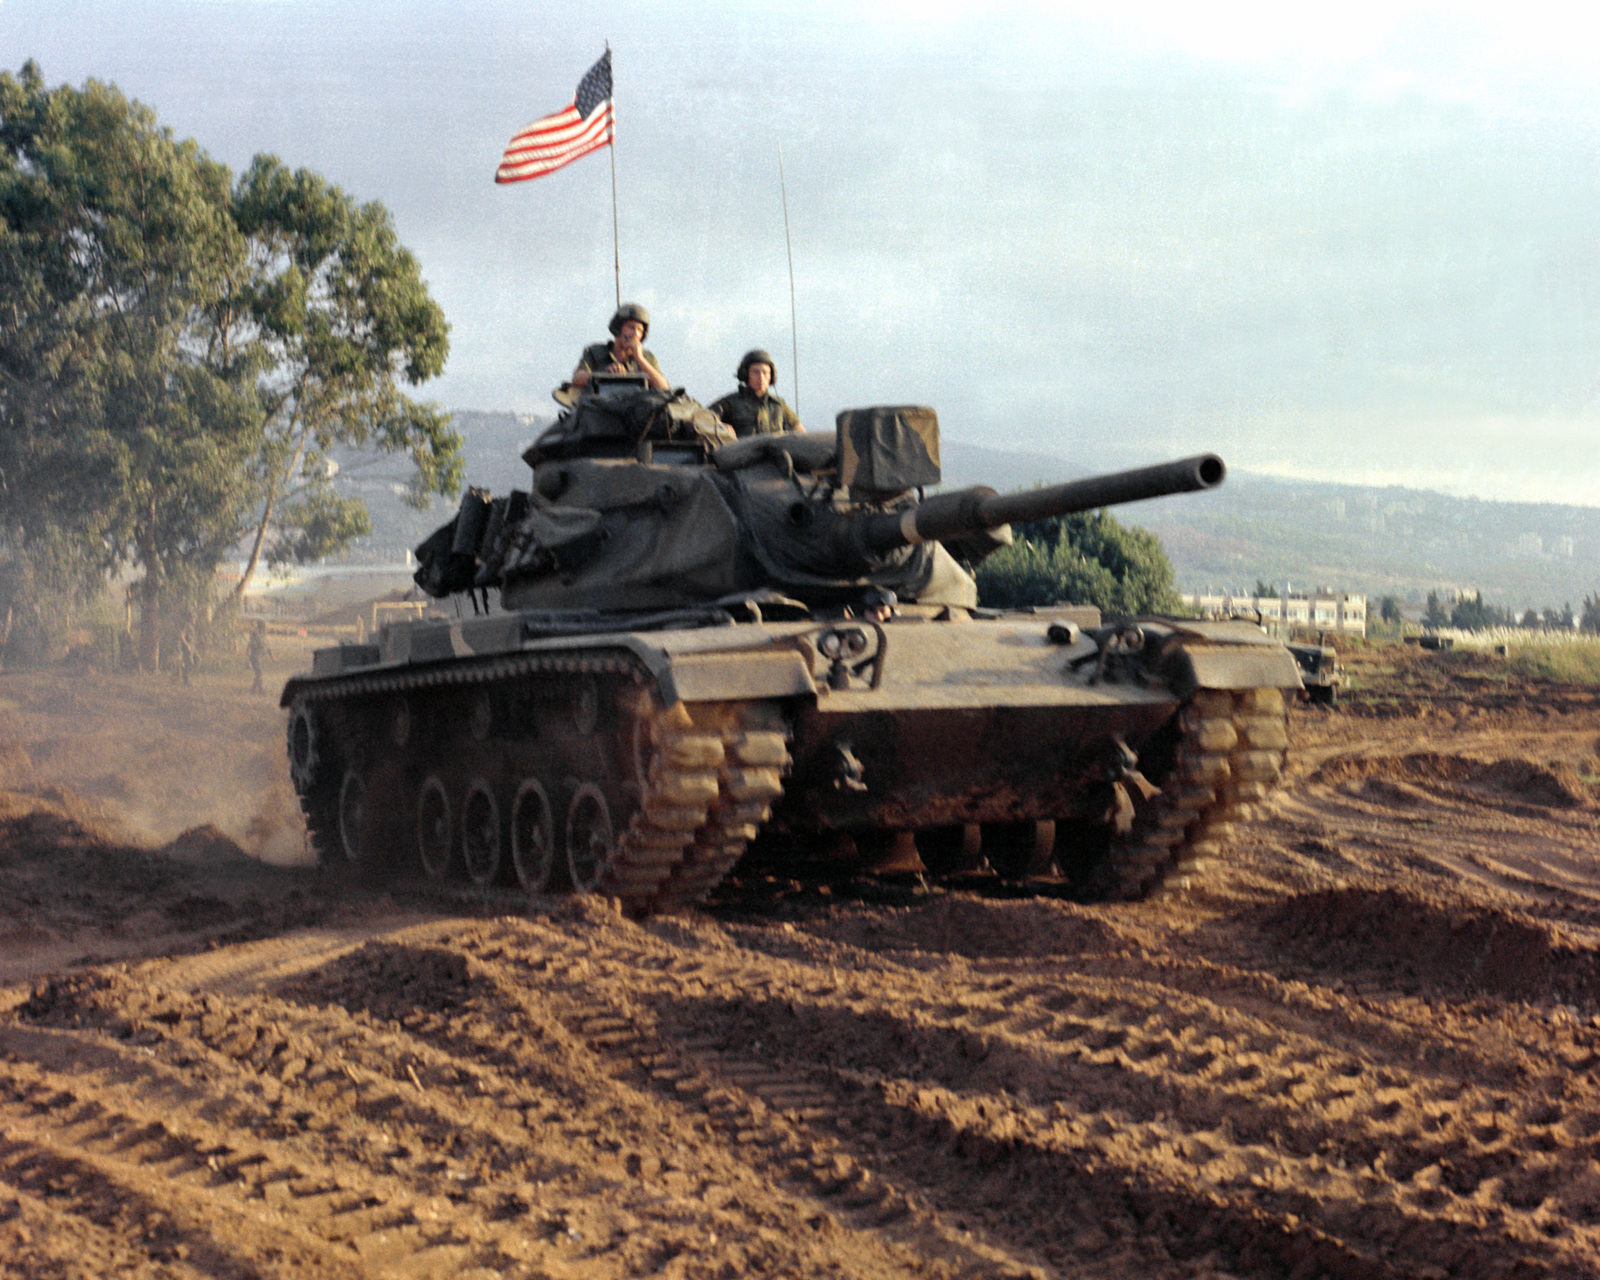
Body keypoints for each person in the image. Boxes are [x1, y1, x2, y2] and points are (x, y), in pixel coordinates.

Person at [571, 303, 670, 391]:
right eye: (631, 327)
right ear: (617, 329)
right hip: (600, 407)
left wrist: (640, 359)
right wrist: (605, 374)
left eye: (640, 330)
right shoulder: (596, 352)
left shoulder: (647, 358)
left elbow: (663, 387)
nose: (635, 333)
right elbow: (577, 378)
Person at [709, 349, 804, 438]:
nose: (761, 377)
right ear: (745, 374)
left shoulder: (779, 405)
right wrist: (722, 427)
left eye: (765, 372)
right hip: (744, 454)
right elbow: (701, 419)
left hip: (775, 454)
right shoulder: (730, 403)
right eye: (755, 372)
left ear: (771, 376)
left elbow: (800, 433)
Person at [247, 620, 271, 694]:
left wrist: (270, 655)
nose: (266, 628)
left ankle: (256, 690)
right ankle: (258, 690)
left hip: (259, 656)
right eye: (264, 626)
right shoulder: (255, 635)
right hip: (255, 656)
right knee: (259, 673)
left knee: (259, 674)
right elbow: (253, 646)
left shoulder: (262, 635)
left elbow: (266, 647)